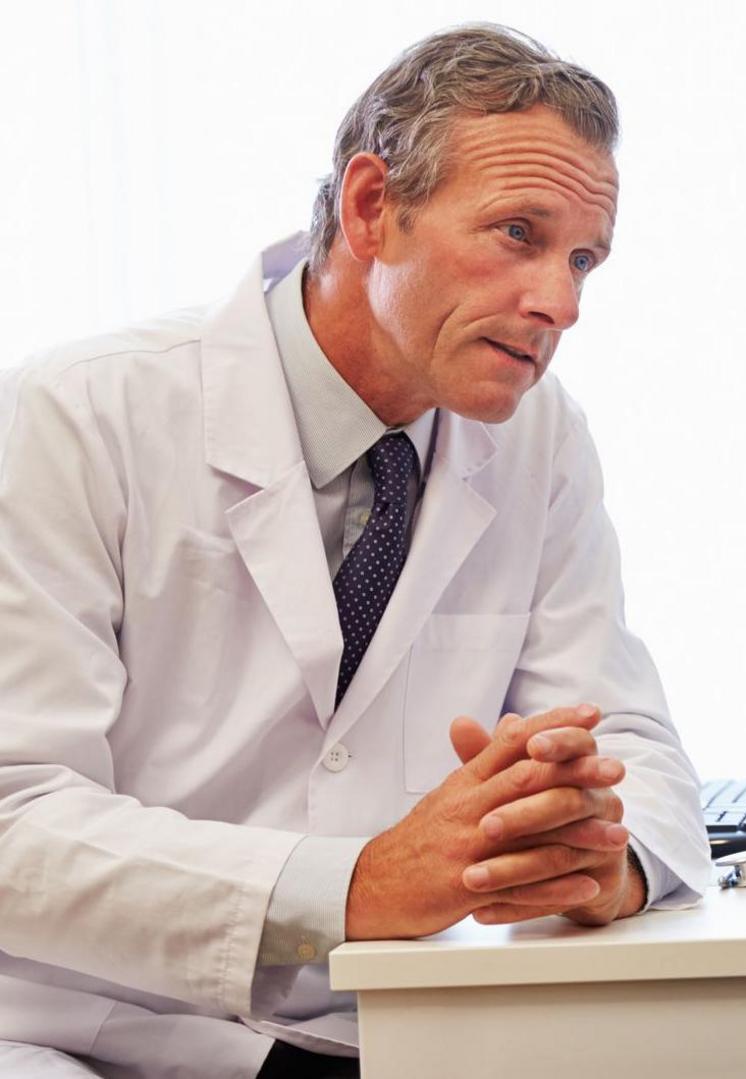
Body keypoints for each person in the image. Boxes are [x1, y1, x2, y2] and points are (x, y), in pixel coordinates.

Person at [0, 25, 707, 1078]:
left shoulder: (538, 437)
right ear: (374, 207)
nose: (561, 302)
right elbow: (15, 820)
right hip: (89, 1035)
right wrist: (354, 884)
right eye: (519, 232)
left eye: (583, 259)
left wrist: (597, 858)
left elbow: (633, 744)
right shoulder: (77, 416)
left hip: (386, 1028)